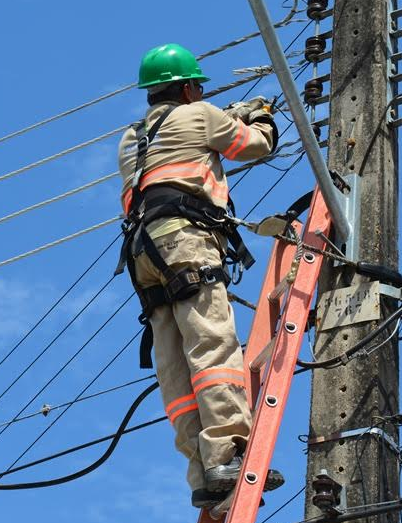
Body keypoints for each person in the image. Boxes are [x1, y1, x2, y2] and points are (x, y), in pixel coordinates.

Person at [115, 43, 284, 509]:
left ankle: (202, 474)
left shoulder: (131, 139)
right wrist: (261, 115)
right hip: (186, 243)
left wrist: (228, 113)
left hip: (142, 254)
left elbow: (180, 139)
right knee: (211, 345)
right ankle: (228, 452)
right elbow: (254, 146)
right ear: (189, 86)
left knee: (175, 367)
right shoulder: (202, 114)